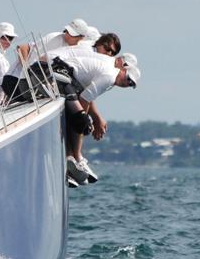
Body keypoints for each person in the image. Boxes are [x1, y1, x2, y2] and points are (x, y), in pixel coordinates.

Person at [49, 46, 140, 185]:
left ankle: (72, 160)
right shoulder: (110, 77)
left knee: (80, 122)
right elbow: (85, 99)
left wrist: (87, 119)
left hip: (68, 77)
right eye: (128, 78)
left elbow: (87, 97)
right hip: (61, 72)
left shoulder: (111, 75)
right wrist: (82, 121)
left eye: (131, 84)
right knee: (81, 122)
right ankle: (75, 158)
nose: (127, 83)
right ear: (123, 70)